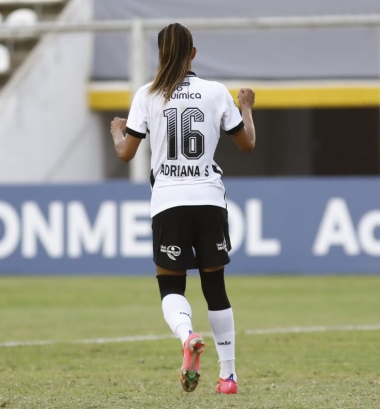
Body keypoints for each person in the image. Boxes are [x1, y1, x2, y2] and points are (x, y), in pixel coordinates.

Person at [109, 22, 255, 395]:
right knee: (215, 288)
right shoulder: (216, 92)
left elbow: (126, 153)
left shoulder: (147, 94)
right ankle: (228, 377)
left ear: (160, 55)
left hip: (168, 203)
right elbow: (247, 145)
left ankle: (188, 335)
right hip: (208, 199)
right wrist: (247, 108)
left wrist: (116, 131)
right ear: (193, 53)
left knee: (171, 285)